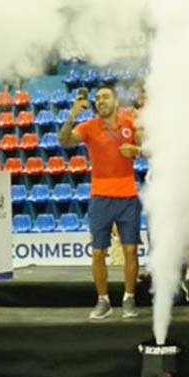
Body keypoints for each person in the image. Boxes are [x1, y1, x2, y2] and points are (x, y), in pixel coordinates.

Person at [59, 84, 144, 319]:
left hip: (127, 195)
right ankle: (103, 300)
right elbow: (64, 141)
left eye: (105, 97)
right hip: (100, 196)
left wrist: (137, 150)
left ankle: (129, 299)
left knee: (131, 249)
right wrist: (72, 115)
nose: (100, 101)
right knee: (98, 253)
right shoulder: (88, 126)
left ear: (115, 101)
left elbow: (149, 147)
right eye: (97, 98)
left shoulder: (129, 122)